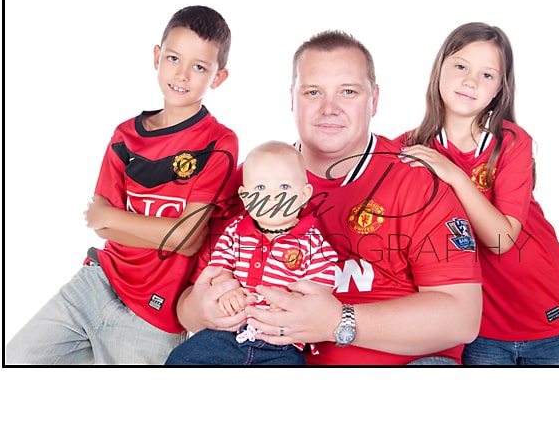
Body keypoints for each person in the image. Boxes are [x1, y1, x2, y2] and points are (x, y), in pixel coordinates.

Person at [177, 30, 483, 365]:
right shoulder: (252, 180)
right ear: (292, 99)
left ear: (374, 100)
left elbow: (461, 318)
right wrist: (203, 311)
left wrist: (338, 322)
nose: (329, 108)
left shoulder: (416, 181)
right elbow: (187, 304)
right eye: (313, 92)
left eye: (348, 91)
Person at [5, 5, 238, 365]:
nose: (181, 74)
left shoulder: (219, 142)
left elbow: (187, 240)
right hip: (98, 280)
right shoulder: (126, 135)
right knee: (18, 358)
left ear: (218, 78)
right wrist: (158, 231)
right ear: (157, 57)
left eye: (199, 67)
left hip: (154, 313)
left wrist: (115, 220)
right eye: (173, 58)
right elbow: (100, 225)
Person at [398, 22, 559, 365]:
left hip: (542, 310)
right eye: (461, 66)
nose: (471, 81)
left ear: (499, 88)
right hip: (479, 326)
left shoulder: (510, 142)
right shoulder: (409, 149)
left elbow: (501, 240)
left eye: (487, 75)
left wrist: (454, 175)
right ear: (439, 70)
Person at [165, 140, 338, 365]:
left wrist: (294, 300)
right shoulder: (235, 231)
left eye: (284, 188)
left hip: (281, 341)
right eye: (260, 188)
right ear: (245, 197)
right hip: (228, 333)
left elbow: (322, 284)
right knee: (181, 358)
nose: (272, 197)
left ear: (304, 194)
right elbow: (219, 265)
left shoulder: (313, 242)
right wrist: (227, 289)